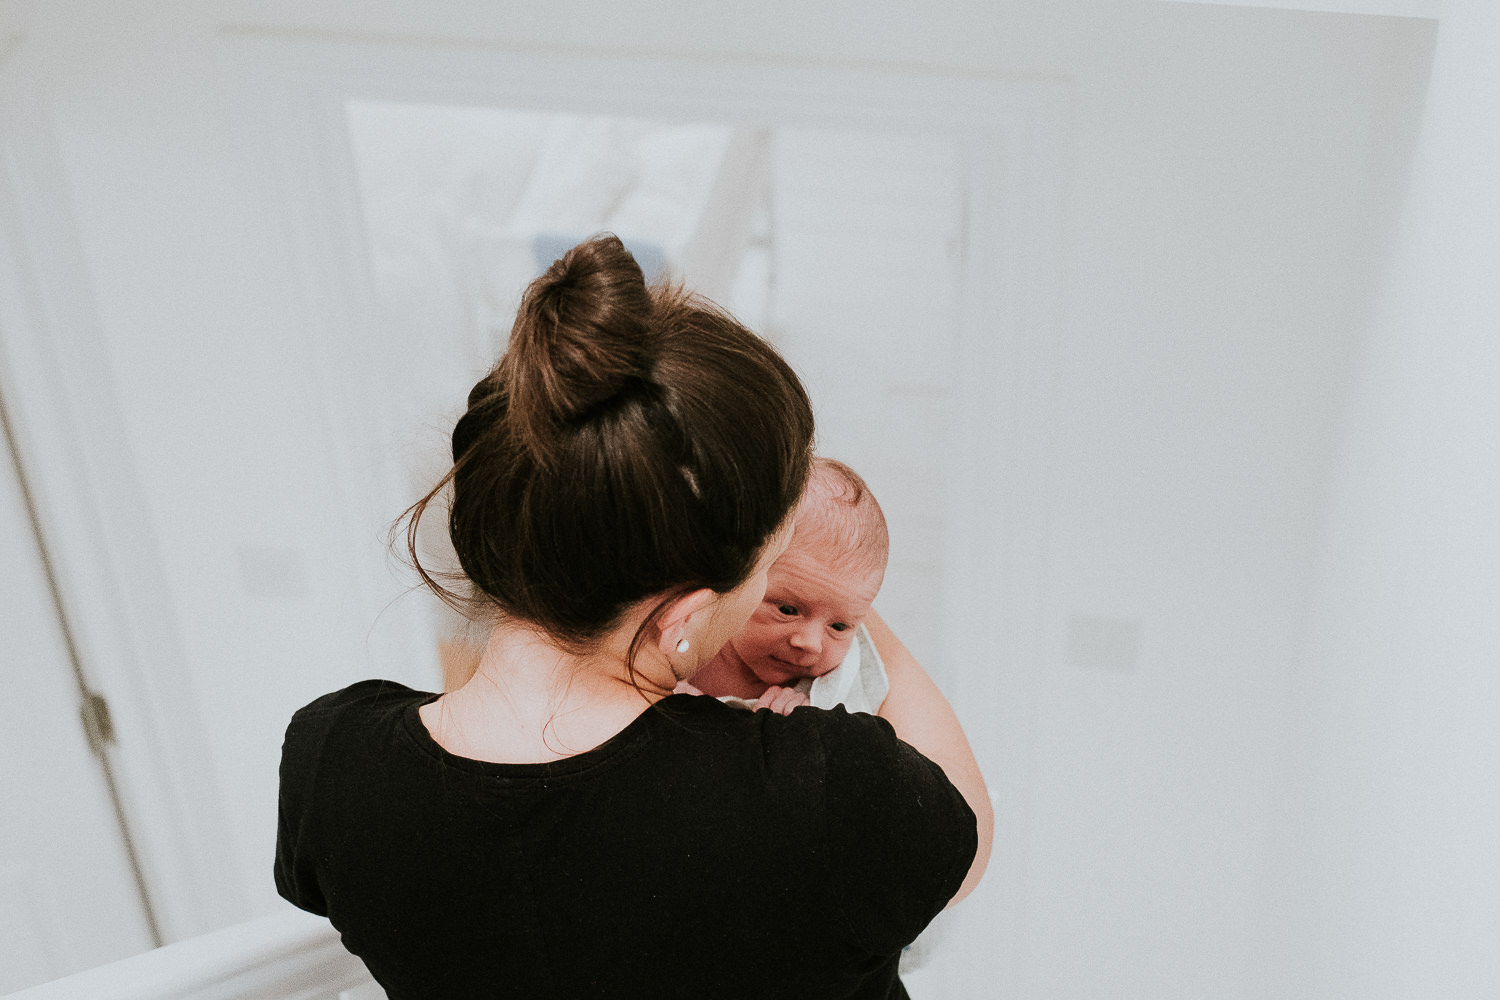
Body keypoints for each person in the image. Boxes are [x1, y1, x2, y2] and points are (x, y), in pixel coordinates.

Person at [275, 234, 993, 999]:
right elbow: (963, 835)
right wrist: (847, 602)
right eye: (771, 576)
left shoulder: (332, 769)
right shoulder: (825, 796)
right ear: (684, 609)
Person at [686, 456, 892, 716]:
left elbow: (862, 743)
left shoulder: (835, 686)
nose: (810, 643)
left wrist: (811, 729)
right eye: (787, 609)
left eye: (839, 627)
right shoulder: (685, 628)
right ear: (736, 573)